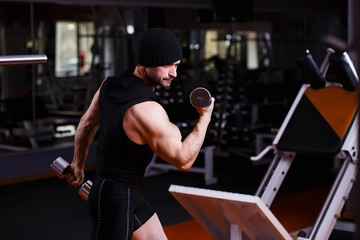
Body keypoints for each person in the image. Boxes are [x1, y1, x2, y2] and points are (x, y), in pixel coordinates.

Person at [65, 28, 215, 240]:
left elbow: (87, 123)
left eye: (176, 65)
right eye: (167, 65)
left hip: (121, 192)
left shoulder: (109, 85)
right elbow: (183, 161)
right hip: (115, 201)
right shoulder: (146, 110)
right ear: (146, 63)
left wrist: (78, 164)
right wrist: (205, 117)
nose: (174, 73)